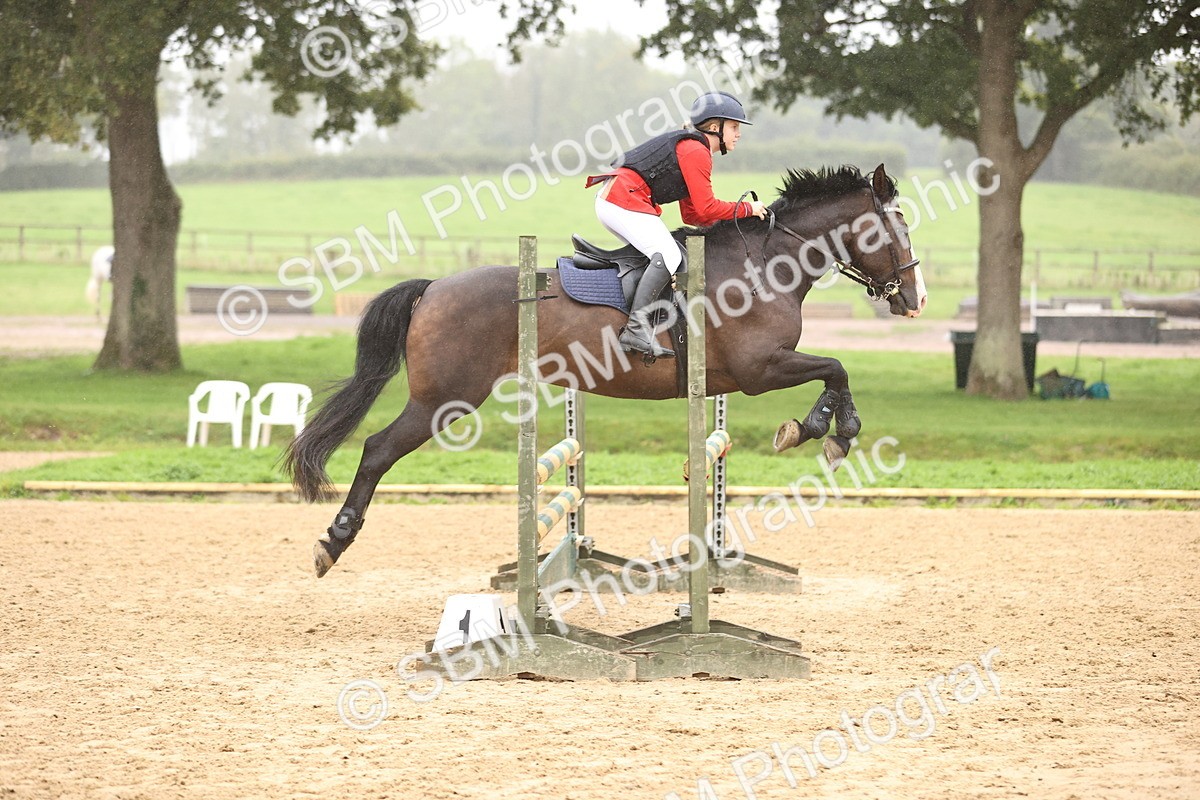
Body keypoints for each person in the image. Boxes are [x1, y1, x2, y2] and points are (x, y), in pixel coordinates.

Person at [585, 91, 768, 358]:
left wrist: (736, 217)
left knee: (664, 255)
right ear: (715, 127)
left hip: (616, 200)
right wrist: (748, 208)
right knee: (669, 255)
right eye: (735, 127)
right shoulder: (696, 150)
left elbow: (694, 215)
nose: (738, 134)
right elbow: (706, 208)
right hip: (623, 200)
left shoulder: (692, 148)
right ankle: (636, 330)